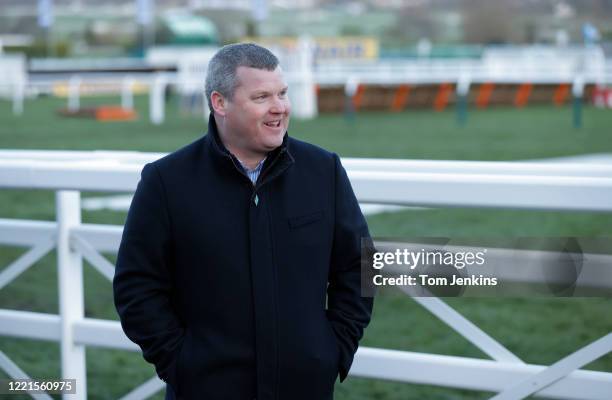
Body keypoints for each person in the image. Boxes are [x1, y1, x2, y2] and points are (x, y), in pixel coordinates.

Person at [113, 43, 373, 400]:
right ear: (220, 103)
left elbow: (358, 266)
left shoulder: (323, 171)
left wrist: (332, 351)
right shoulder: (165, 182)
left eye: (282, 93)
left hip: (305, 387)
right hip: (206, 390)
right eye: (262, 96)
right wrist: (182, 363)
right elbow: (136, 287)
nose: (279, 107)